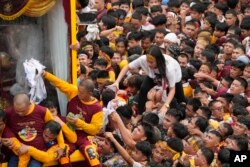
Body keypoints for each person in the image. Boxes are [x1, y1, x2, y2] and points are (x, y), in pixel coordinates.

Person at [110, 45, 185, 117]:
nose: (148, 64)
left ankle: (181, 115)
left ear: (158, 61)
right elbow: (127, 67)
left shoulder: (169, 68)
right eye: (147, 61)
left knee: (178, 99)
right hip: (153, 75)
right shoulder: (143, 59)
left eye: (151, 62)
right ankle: (140, 114)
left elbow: (172, 89)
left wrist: (166, 105)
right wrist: (117, 81)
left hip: (174, 76)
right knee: (143, 89)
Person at [4, 93, 65, 167]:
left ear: (29, 104)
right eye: (17, 111)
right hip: (18, 152)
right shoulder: (9, 112)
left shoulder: (42, 111)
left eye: (22, 111)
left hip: (37, 153)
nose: (19, 113)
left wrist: (61, 147)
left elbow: (56, 127)